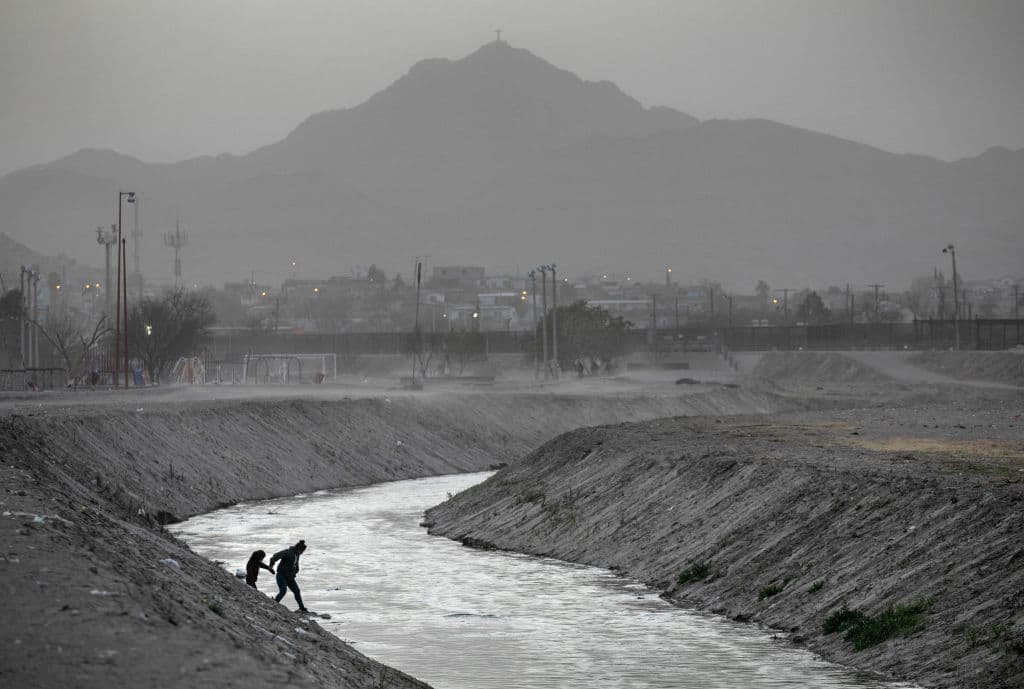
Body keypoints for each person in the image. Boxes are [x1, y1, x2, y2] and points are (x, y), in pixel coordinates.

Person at [269, 539, 307, 612]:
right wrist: (271, 566)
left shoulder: (297, 554)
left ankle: (302, 608)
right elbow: (274, 557)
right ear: (298, 549)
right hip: (281, 576)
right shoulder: (287, 552)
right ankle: (275, 603)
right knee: (283, 591)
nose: (302, 553)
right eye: (302, 551)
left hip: (290, 577)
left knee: (297, 591)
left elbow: (295, 564)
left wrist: (296, 571)